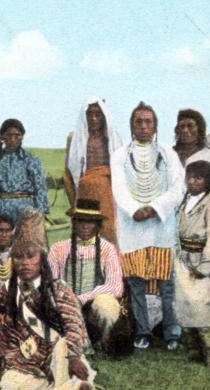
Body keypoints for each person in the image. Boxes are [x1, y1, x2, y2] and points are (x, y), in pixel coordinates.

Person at [0, 210, 102, 390]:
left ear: (41, 259)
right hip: (24, 361)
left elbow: (73, 325)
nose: (23, 263)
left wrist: (74, 356)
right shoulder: (5, 292)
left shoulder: (58, 289)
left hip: (60, 356)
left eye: (30, 256)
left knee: (63, 352)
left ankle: (71, 388)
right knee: (8, 387)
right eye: (17, 257)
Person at [110, 102, 184, 350]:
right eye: (138, 121)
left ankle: (171, 332)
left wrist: (155, 208)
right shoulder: (120, 155)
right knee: (136, 282)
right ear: (131, 125)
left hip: (161, 228)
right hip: (132, 228)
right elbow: (119, 189)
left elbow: (177, 188)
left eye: (148, 121)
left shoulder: (167, 154)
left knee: (166, 282)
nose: (143, 126)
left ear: (155, 126)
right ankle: (142, 332)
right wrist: (134, 210)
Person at [47, 199, 123, 353]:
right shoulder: (58, 248)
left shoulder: (108, 249)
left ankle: (104, 342)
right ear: (74, 223)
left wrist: (83, 298)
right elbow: (51, 282)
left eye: (90, 222)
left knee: (106, 305)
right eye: (81, 221)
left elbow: (115, 286)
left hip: (93, 305)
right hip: (66, 302)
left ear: (97, 225)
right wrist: (68, 300)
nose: (85, 226)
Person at [174, 161, 210, 368]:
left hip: (199, 260)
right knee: (183, 304)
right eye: (190, 177)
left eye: (199, 178)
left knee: (201, 306)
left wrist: (206, 266)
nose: (193, 181)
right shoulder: (184, 203)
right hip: (183, 260)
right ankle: (193, 347)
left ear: (208, 181)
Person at [63, 98, 123, 244]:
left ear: (104, 116)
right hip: (84, 194)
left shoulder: (112, 138)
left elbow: (122, 174)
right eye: (89, 114)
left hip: (107, 194)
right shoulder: (74, 138)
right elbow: (67, 174)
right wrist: (74, 203)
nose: (93, 118)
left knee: (109, 235)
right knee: (84, 236)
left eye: (98, 114)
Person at [0, 119, 48, 238]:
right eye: (9, 135)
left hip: (26, 210)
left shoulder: (31, 160)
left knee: (27, 245)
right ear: (2, 137)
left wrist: (39, 214)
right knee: (1, 244)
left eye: (17, 135)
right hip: (0, 210)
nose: (13, 139)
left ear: (22, 137)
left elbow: (40, 189)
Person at [172, 108, 210, 200]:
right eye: (182, 126)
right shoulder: (169, 155)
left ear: (199, 129)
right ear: (177, 130)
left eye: (190, 126)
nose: (185, 130)